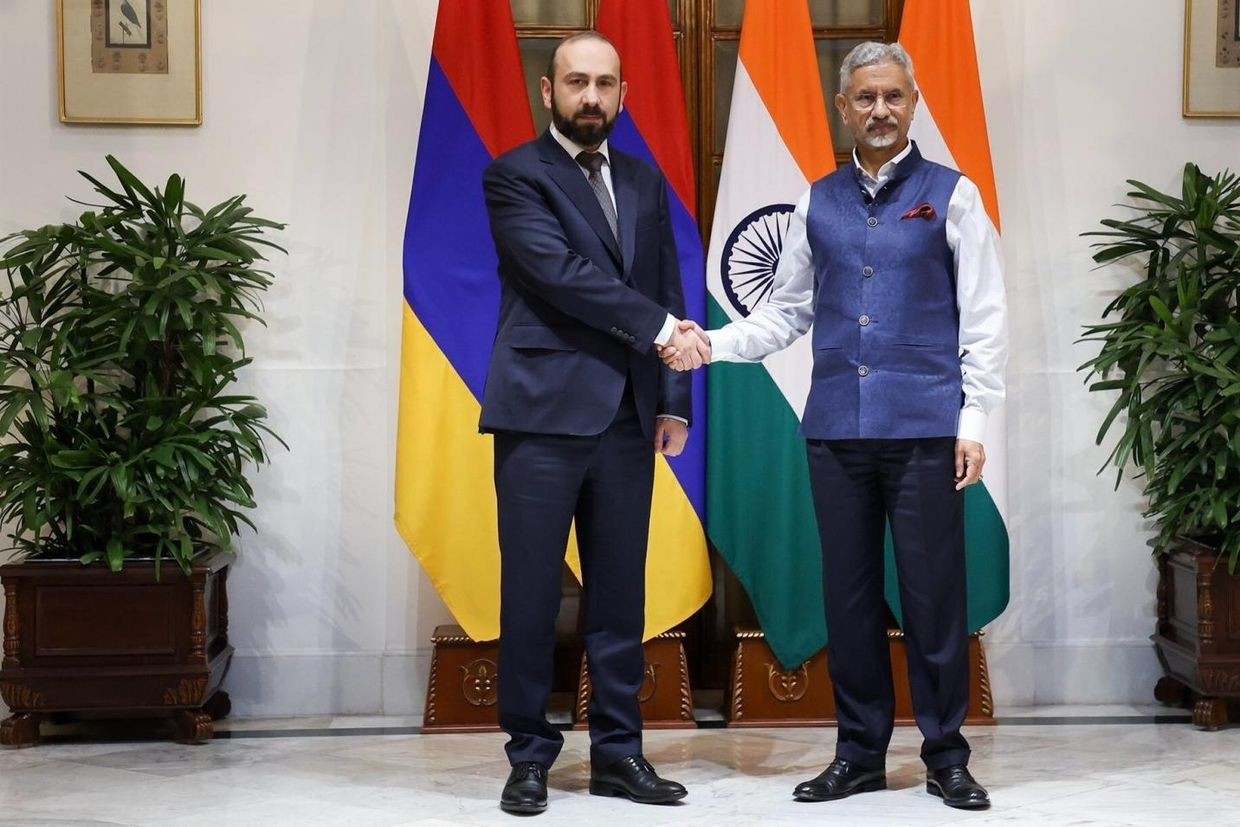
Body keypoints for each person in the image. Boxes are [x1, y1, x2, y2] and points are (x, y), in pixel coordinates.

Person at [664, 41, 1006, 811]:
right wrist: (709, 344)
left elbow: (984, 319)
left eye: (892, 97)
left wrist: (973, 419)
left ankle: (946, 755)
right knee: (847, 600)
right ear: (842, 107)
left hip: (925, 430)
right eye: (865, 99)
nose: (879, 111)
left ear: (913, 102)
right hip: (837, 432)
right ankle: (858, 753)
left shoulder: (953, 196)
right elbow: (786, 311)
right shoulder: (815, 200)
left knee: (931, 599)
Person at [480, 32, 707, 816]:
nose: (592, 97)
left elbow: (666, 281)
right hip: (540, 416)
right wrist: (661, 329)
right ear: (549, 91)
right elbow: (559, 276)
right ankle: (529, 755)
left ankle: (618, 752)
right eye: (577, 82)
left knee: (620, 595)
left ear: (622, 93)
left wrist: (673, 400)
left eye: (606, 84)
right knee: (532, 595)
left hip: (626, 419)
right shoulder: (514, 175)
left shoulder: (643, 180)